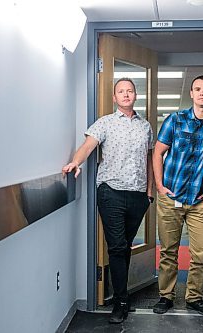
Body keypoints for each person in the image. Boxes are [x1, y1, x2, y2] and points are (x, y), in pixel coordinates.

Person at [62, 78, 154, 324]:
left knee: (125, 246)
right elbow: (88, 145)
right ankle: (121, 302)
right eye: (121, 92)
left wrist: (150, 192)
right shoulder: (105, 122)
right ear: (114, 98)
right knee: (116, 247)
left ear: (136, 95)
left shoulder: (145, 127)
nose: (126, 95)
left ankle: (120, 293)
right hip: (111, 192)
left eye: (130, 91)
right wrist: (75, 162)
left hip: (138, 195)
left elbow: (149, 160)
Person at [152, 75, 203, 316]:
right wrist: (160, 187)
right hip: (170, 198)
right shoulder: (175, 120)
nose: (202, 93)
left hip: (199, 202)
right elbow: (158, 153)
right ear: (191, 94)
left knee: (202, 252)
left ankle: (195, 297)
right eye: (197, 89)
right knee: (168, 250)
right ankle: (166, 296)